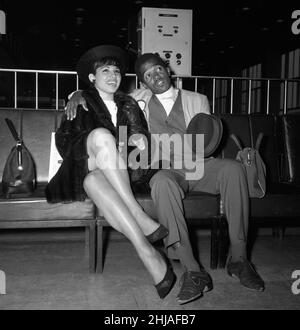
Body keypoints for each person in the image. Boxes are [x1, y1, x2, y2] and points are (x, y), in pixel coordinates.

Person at [65, 52, 265, 305]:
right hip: (166, 169)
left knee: (233, 170)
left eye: (158, 69)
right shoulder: (137, 100)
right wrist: (78, 94)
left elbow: (206, 144)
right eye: (147, 75)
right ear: (142, 83)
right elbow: (105, 94)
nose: (155, 76)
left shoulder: (197, 99)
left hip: (200, 165)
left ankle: (239, 259)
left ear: (167, 70)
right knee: (161, 183)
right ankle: (192, 271)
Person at [46, 46, 176, 300]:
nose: (112, 75)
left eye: (116, 70)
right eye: (104, 70)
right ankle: (137, 213)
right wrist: (98, 141)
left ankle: (148, 254)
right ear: (92, 77)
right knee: (101, 136)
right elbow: (64, 141)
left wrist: (123, 148)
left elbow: (141, 142)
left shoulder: (128, 104)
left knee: (95, 181)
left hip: (116, 172)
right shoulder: (81, 100)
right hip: (81, 162)